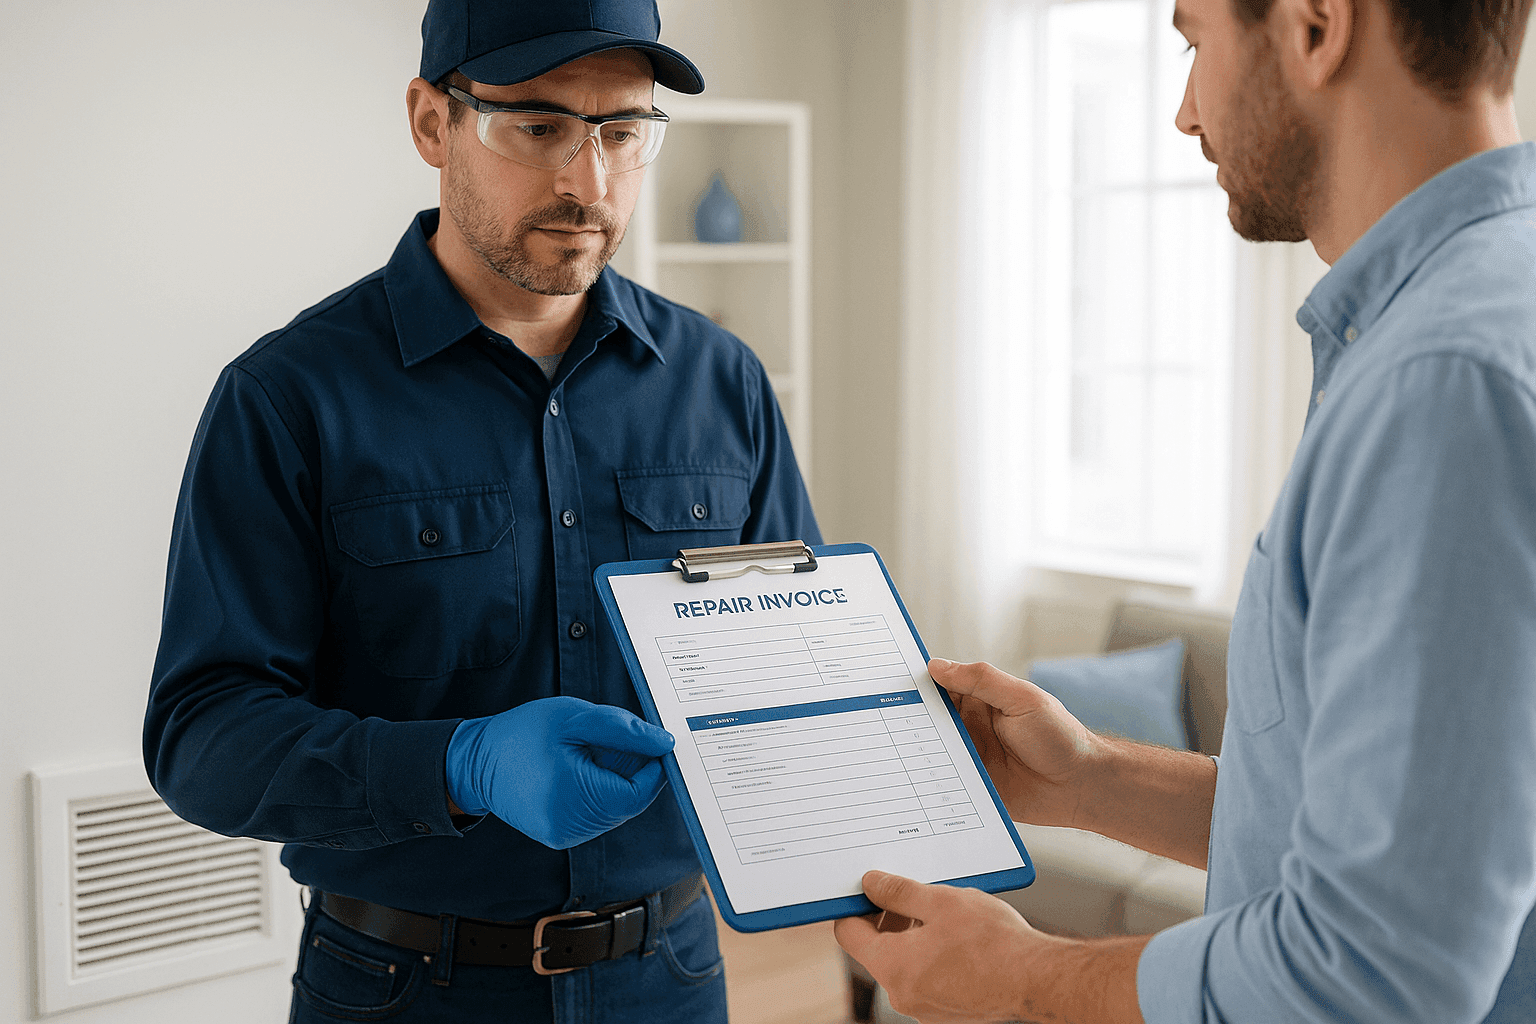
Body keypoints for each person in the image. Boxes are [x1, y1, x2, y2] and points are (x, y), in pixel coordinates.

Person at [836, 0, 1536, 1020]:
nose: (1182, 111)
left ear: (1315, 25)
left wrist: (1021, 977)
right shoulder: (1465, 322)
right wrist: (1085, 777)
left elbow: (1370, 975)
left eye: (1194, 39)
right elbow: (1409, 835)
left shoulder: (1440, 383)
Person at [143, 1, 819, 1021]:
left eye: (623, 132)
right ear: (431, 123)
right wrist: (457, 765)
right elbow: (202, 737)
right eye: (538, 126)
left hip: (672, 974)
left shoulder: (723, 381)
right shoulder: (287, 398)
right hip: (403, 987)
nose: (587, 182)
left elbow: (794, 659)